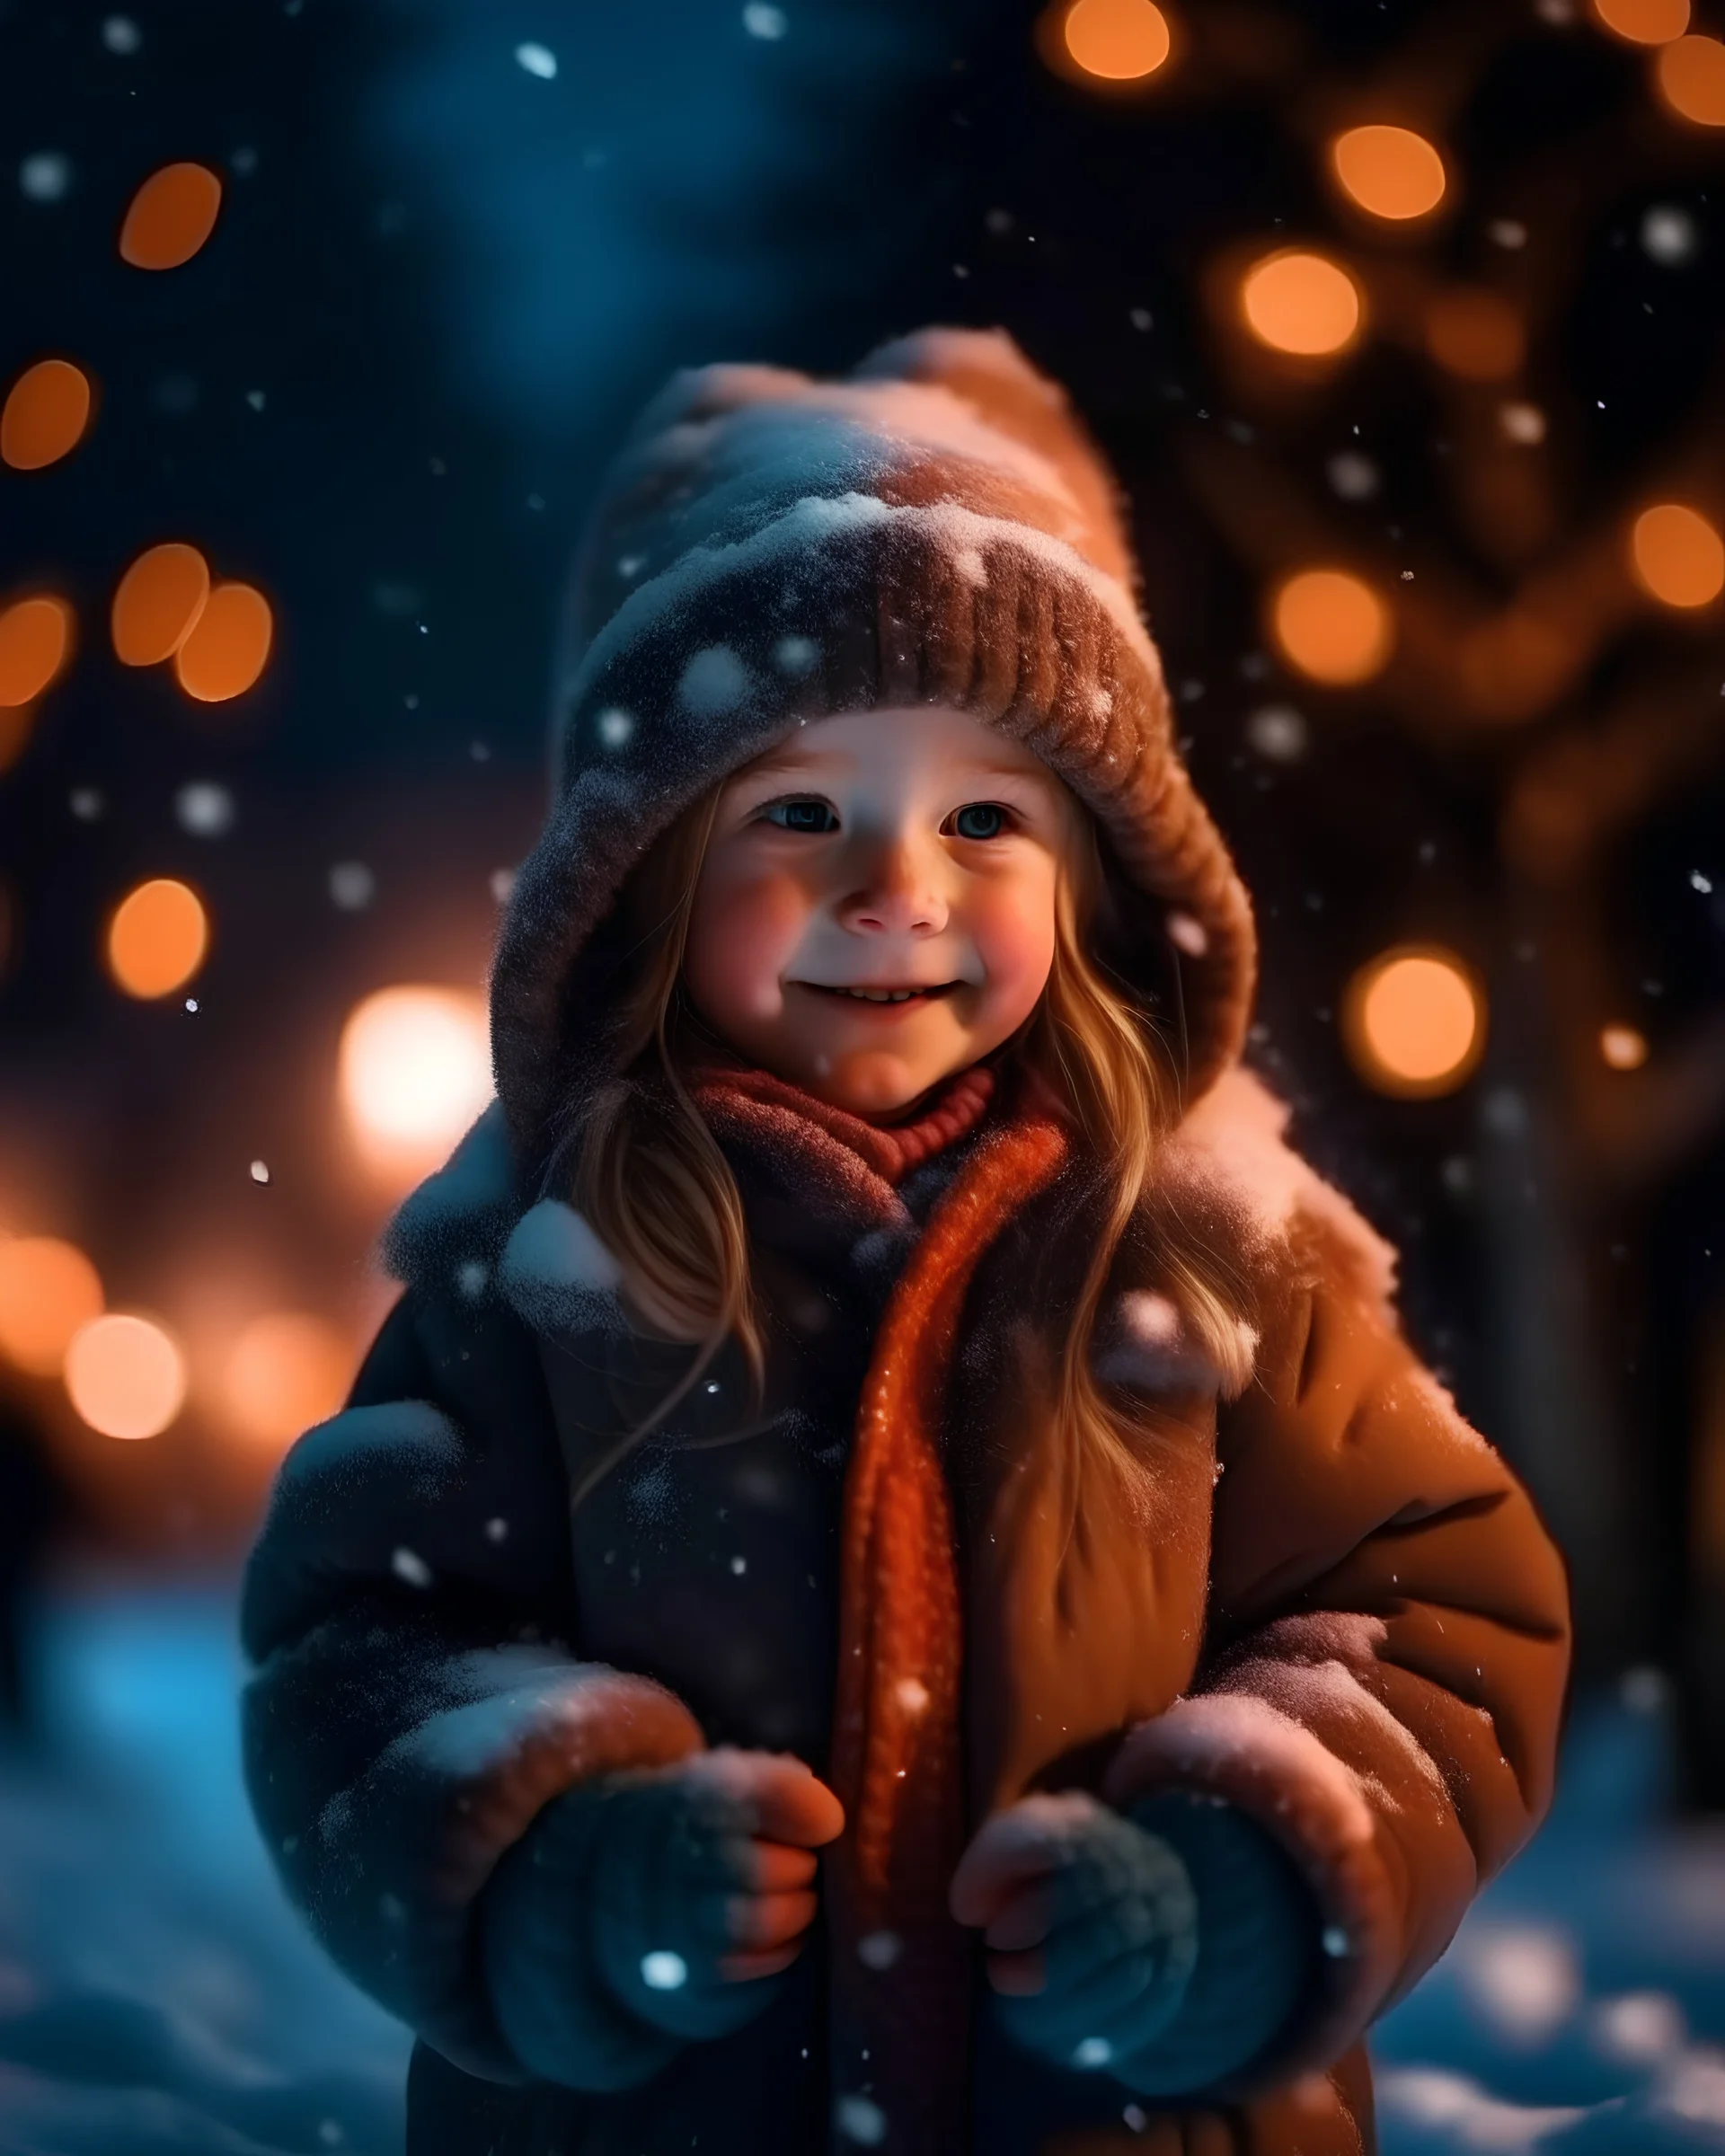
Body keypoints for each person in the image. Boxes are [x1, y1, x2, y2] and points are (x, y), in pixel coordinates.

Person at [238, 328, 1571, 2156]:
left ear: (1100, 876)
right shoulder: (545, 1269)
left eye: (985, 818)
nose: (899, 889)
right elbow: (358, 1656)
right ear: (647, 869)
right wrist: (558, 1859)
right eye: (798, 809)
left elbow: (1441, 1612)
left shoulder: (1213, 1248)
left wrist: (1259, 1864)